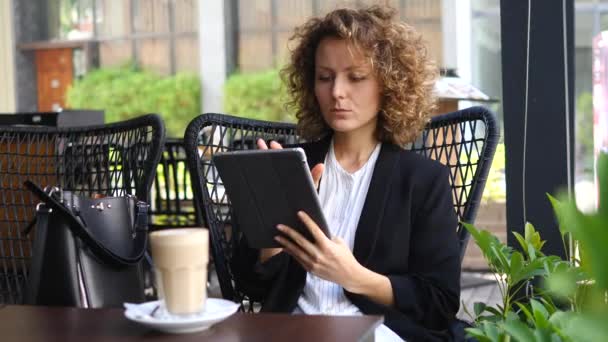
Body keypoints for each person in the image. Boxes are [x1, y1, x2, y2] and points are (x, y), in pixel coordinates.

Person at [232, 5, 460, 341]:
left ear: (389, 85)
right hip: (292, 331)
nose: (337, 91)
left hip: (378, 333)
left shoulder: (423, 181)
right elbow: (250, 286)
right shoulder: (292, 167)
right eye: (325, 77)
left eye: (356, 77)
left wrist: (353, 275)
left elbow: (439, 302)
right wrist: (270, 236)